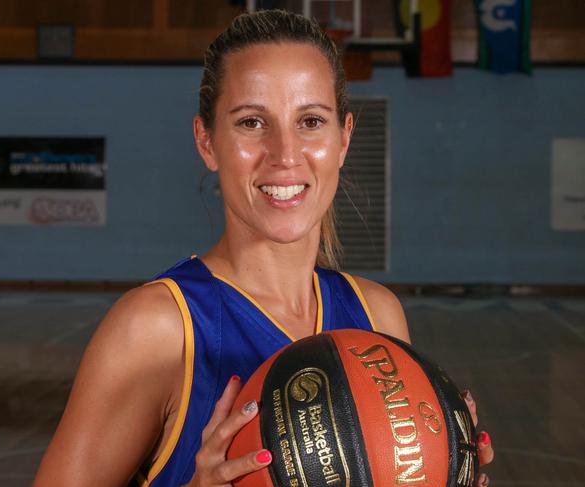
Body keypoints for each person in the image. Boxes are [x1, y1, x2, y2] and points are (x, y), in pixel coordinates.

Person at [33, 9, 493, 487]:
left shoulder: (378, 316)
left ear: (343, 140)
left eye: (311, 120)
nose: (285, 154)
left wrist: (445, 466)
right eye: (252, 122)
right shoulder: (156, 331)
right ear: (207, 142)